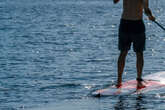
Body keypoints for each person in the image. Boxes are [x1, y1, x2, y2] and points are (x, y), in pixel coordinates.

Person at [113, 0, 155, 89]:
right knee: (139, 53)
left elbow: (115, 1)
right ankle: (139, 82)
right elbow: (146, 9)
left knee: (123, 52)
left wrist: (150, 15)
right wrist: (150, 16)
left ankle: (119, 81)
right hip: (136, 24)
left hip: (125, 23)